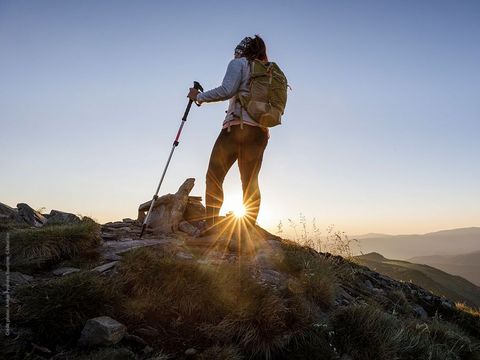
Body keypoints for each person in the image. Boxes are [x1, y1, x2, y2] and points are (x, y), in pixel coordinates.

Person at [187, 35, 270, 237]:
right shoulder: (267, 72)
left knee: (214, 176)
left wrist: (198, 97)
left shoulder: (239, 63)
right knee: (250, 182)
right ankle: (247, 231)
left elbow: (227, 90)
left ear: (241, 50)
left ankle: (211, 227)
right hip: (259, 133)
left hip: (236, 129)